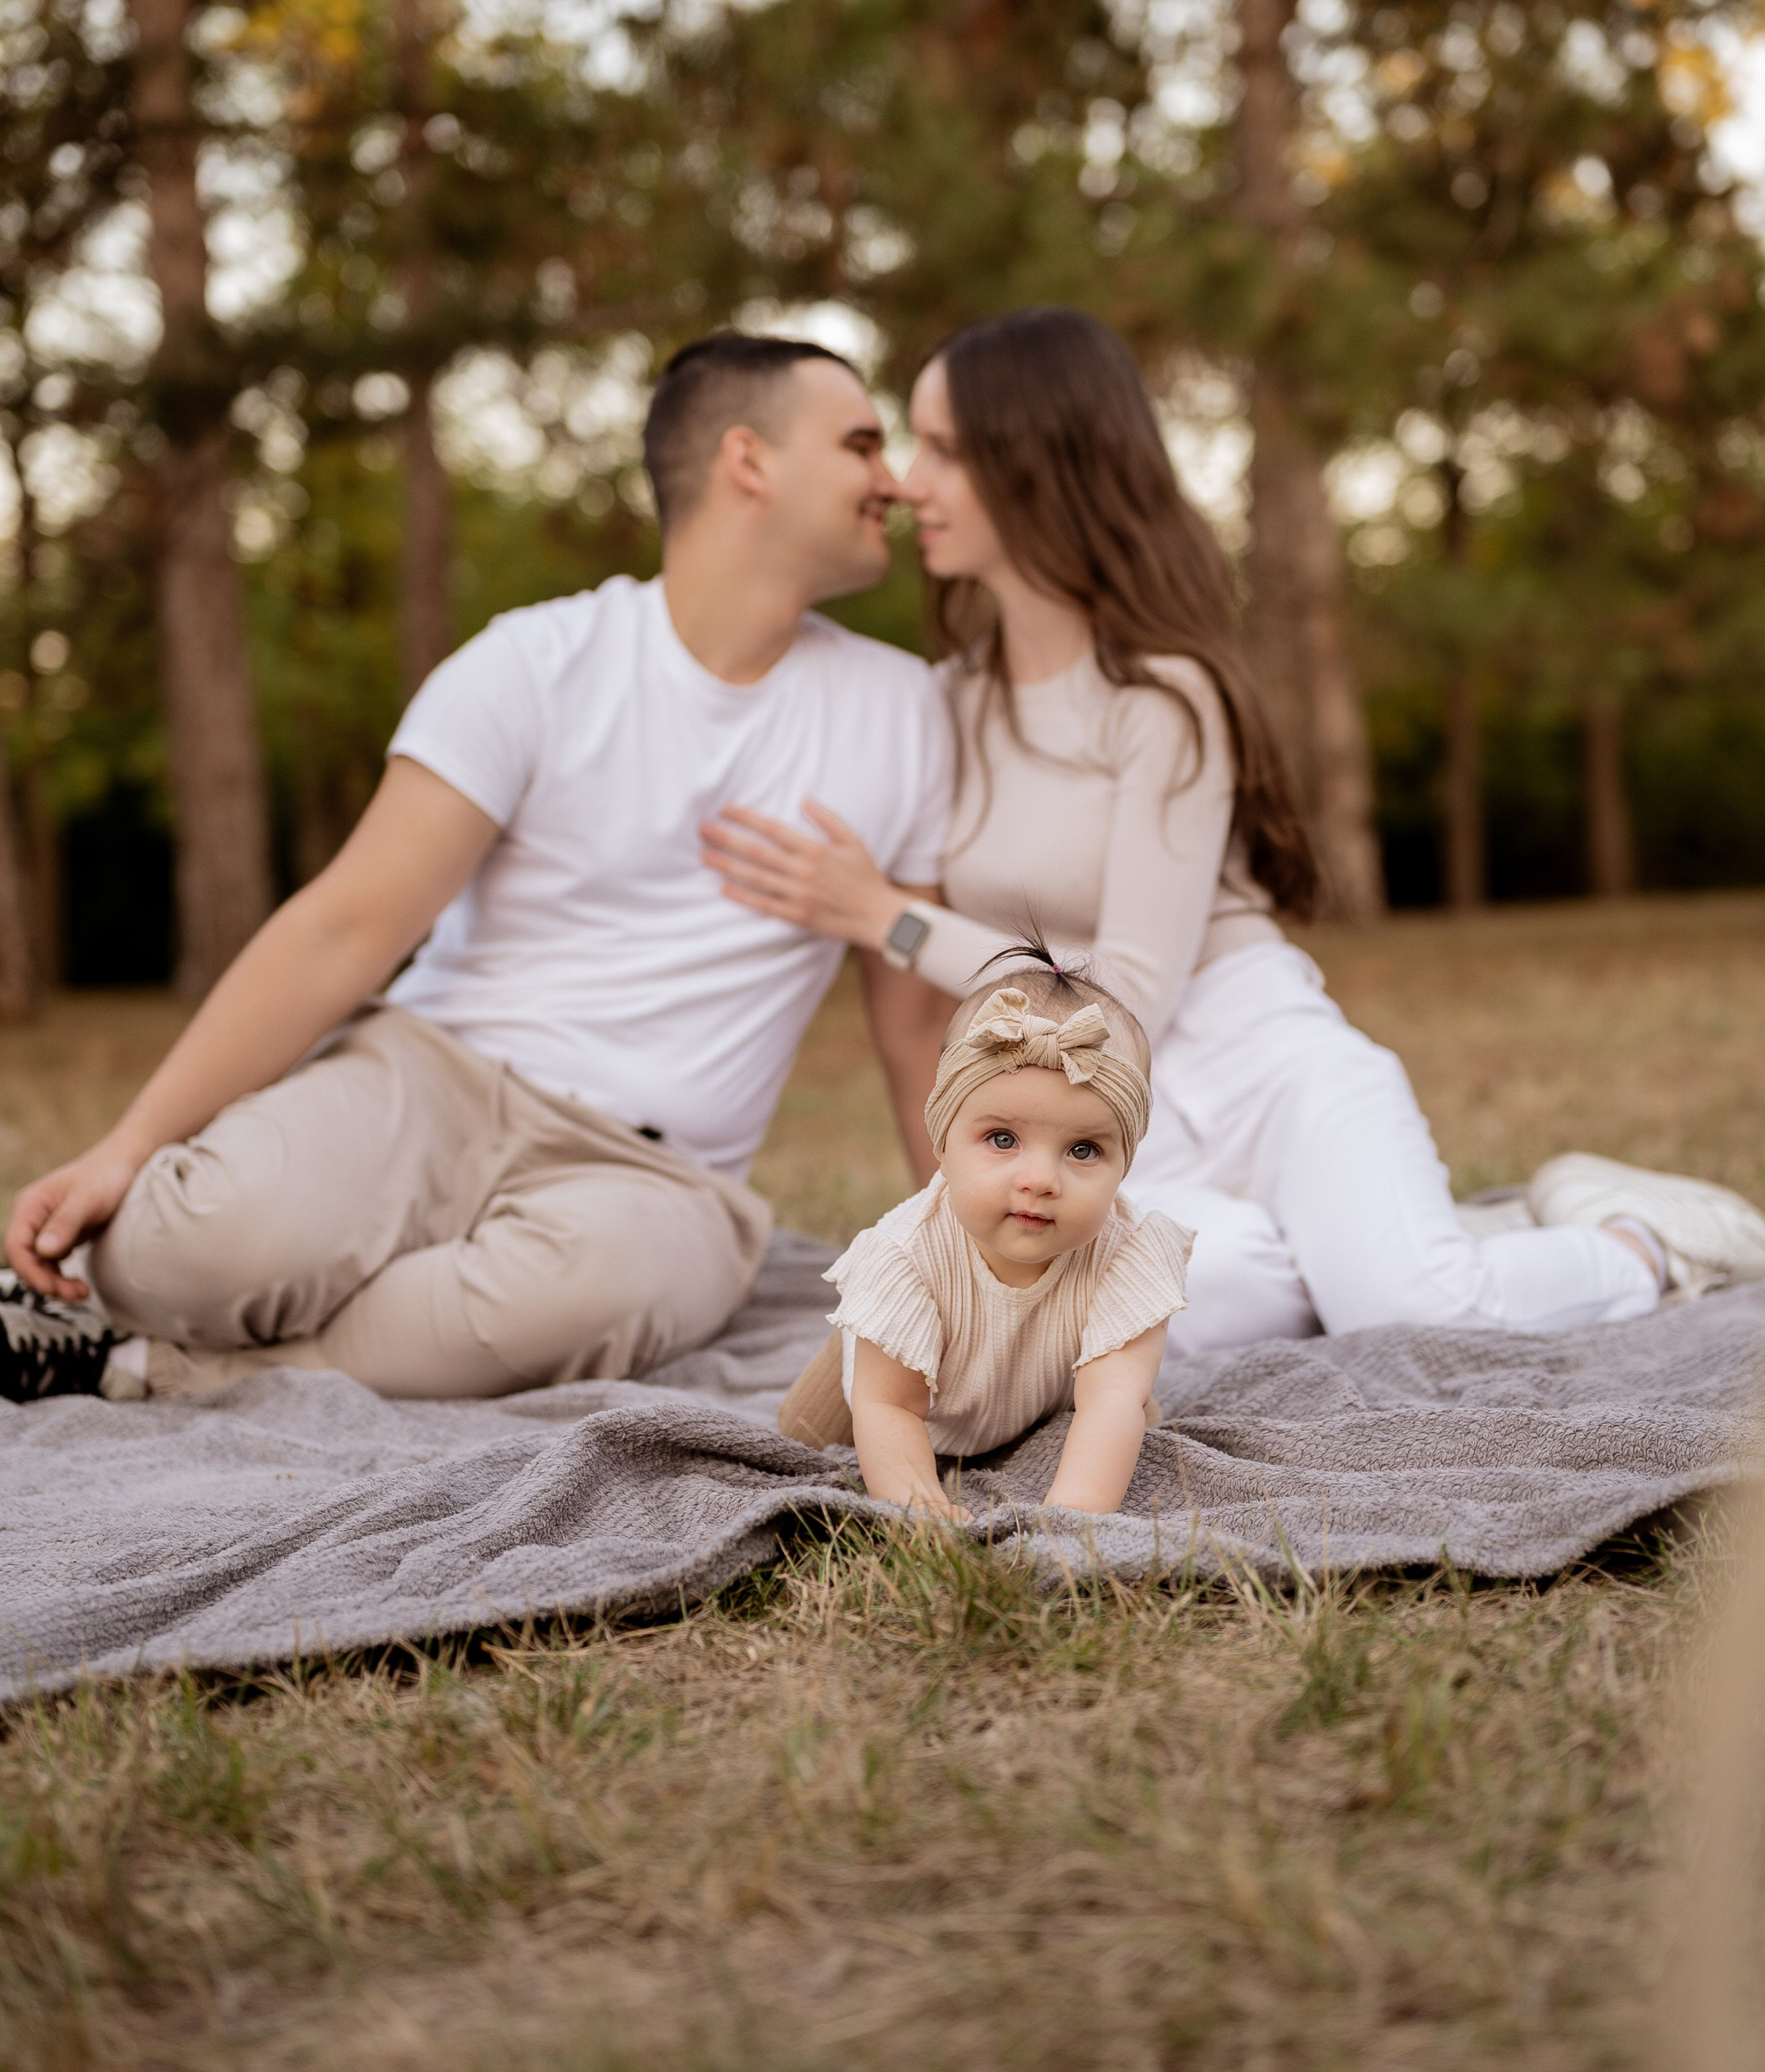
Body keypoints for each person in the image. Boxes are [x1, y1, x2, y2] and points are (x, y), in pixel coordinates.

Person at [703, 307, 1765, 1351]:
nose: (905, 481)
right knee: (1153, 1312)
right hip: (1105, 1116)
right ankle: (1418, 1240)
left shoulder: (1165, 698)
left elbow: (1126, 997)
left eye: (941, 449)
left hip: (1256, 1059)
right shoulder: (950, 704)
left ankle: (1645, 1243)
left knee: (1415, 1317)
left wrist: (889, 918)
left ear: (1038, 464)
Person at [1, 332, 956, 1407]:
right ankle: (173, 1312)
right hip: (432, 1079)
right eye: (865, 445)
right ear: (750, 461)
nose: (897, 481)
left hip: (655, 1178)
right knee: (184, 1247)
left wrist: (977, 1276)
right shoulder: (533, 664)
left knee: (589, 1294)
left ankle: (151, 1366)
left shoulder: (907, 713)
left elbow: (914, 1028)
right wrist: (129, 1146)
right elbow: (344, 929)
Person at [779, 951, 1190, 1516]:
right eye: (1002, 1140)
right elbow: (890, 1406)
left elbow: (1112, 1400)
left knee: (1134, 1410)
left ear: (1127, 1163)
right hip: (905, 1393)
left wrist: (1070, 1523)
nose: (1041, 1179)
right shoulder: (905, 1258)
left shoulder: (1129, 1254)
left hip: (1039, 1396)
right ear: (942, 1139)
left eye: (1084, 1150)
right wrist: (918, 1509)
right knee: (800, 1440)